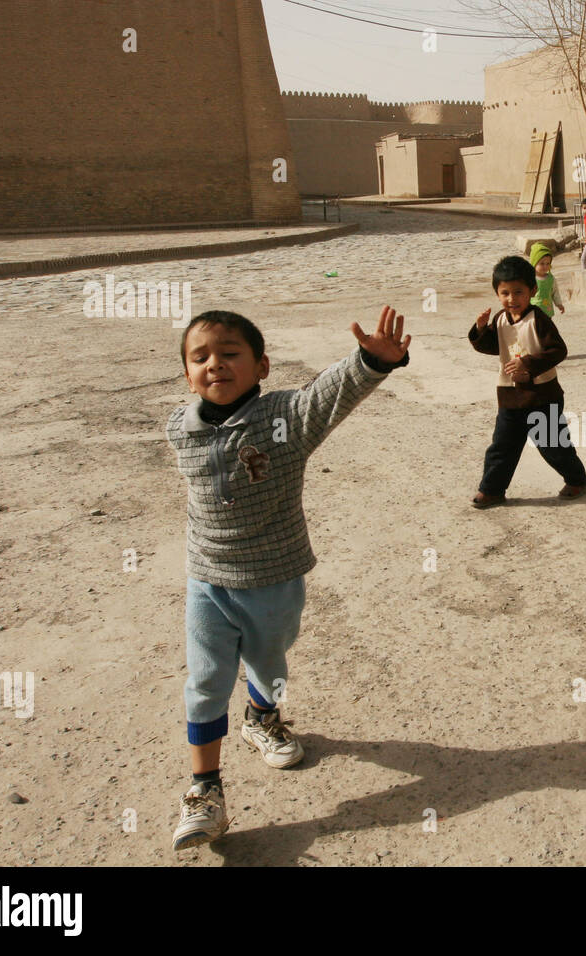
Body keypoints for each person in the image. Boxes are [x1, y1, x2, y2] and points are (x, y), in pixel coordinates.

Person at [166, 306, 410, 851]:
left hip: (274, 578)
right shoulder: (178, 429)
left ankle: (262, 715)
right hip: (207, 578)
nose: (215, 365)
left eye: (231, 354)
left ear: (262, 366)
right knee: (205, 680)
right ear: (186, 374)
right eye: (200, 357)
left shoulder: (285, 419)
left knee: (269, 662)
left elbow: (327, 395)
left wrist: (371, 361)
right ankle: (205, 789)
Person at [469, 255, 586, 509]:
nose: (512, 299)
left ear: (532, 291)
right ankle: (492, 490)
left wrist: (528, 363)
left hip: (542, 396)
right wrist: (480, 330)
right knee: (502, 446)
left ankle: (576, 480)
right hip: (510, 396)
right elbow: (493, 346)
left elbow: (558, 351)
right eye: (505, 293)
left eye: (518, 292)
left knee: (552, 445)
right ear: (497, 293)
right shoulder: (500, 319)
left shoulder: (539, 319)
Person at [528, 242, 565, 317]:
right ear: (534, 263)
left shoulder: (551, 279)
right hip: (533, 312)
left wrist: (559, 304)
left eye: (548, 263)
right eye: (542, 264)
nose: (545, 266)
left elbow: (555, 293)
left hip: (547, 313)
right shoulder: (530, 278)